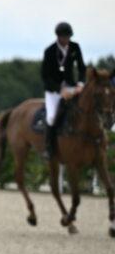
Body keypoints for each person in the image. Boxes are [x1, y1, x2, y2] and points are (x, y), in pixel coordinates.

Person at [41, 21, 86, 158]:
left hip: (72, 87)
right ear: (58, 37)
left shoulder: (75, 47)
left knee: (84, 110)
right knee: (51, 117)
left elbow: (82, 68)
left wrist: (80, 84)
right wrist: (59, 90)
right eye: (64, 37)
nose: (66, 40)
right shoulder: (49, 51)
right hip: (54, 90)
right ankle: (49, 148)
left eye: (68, 37)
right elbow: (45, 75)